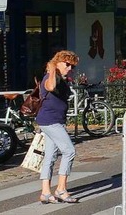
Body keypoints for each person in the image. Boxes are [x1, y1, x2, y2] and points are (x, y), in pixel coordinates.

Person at [36, 50, 80, 204]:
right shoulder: (50, 76)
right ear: (59, 62)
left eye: (72, 66)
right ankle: (61, 189)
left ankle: (45, 192)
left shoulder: (62, 78)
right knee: (69, 151)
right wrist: (53, 68)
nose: (69, 68)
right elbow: (49, 87)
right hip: (50, 121)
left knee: (50, 156)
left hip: (54, 120)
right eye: (67, 64)